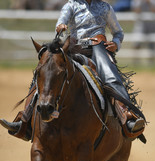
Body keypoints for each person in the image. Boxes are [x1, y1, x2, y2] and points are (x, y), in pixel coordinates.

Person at [0, 0, 145, 142]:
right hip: (74, 46)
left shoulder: (105, 7)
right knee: (46, 71)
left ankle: (127, 117)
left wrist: (116, 43)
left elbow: (118, 32)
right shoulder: (71, 5)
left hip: (99, 47)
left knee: (110, 76)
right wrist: (61, 25)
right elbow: (61, 21)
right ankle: (26, 119)